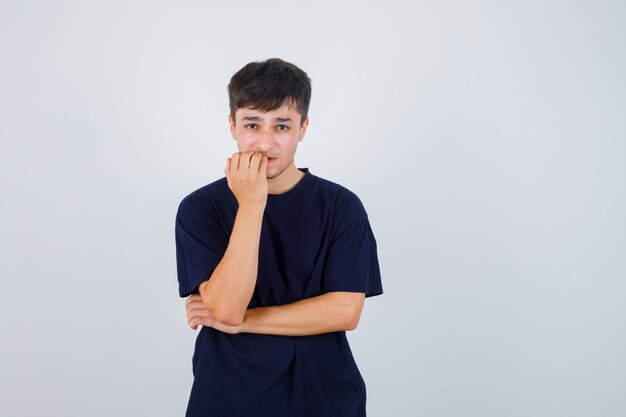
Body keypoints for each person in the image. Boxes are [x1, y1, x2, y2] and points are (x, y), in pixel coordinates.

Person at [175, 57, 384, 417]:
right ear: (232, 126)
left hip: (322, 394)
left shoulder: (341, 206)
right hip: (230, 394)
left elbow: (345, 311)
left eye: (282, 126)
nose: (265, 143)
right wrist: (252, 203)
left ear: (303, 128)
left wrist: (241, 323)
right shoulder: (199, 208)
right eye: (253, 124)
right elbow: (226, 306)